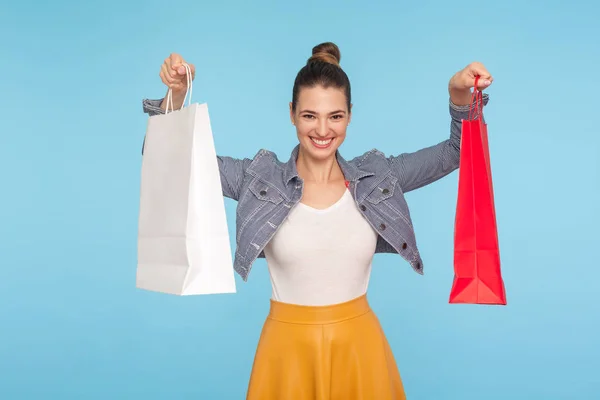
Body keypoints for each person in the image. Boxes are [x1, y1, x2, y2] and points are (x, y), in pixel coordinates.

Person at [141, 42, 492, 400]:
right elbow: (171, 158)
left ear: (350, 114)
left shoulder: (378, 178)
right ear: (292, 113)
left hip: (359, 348)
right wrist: (176, 98)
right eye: (310, 115)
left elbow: (458, 150)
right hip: (285, 351)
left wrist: (458, 96)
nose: (322, 130)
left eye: (335, 116)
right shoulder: (257, 180)